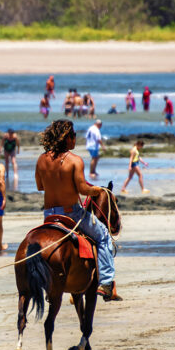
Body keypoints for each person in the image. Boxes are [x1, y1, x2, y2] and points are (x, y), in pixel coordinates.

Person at [35, 119, 116, 299]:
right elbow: (82, 189)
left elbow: (40, 186)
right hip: (71, 213)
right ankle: (106, 282)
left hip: (49, 214)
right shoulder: (75, 160)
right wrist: (98, 190)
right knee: (103, 236)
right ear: (67, 138)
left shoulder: (41, 159)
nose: (76, 140)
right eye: (74, 136)